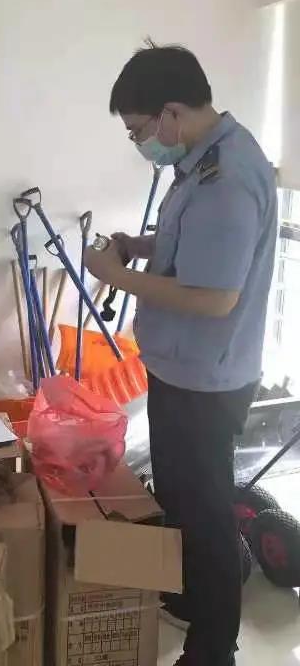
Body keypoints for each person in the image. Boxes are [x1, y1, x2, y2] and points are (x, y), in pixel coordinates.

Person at [85, 43, 277, 666]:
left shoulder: (227, 180)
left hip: (206, 378)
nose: (140, 143)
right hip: (184, 367)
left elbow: (215, 297)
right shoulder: (201, 162)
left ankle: (213, 647)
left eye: (139, 130)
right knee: (180, 493)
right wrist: (137, 245)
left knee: (204, 510)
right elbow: (190, 247)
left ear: (171, 112)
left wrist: (116, 276)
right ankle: (193, 597)